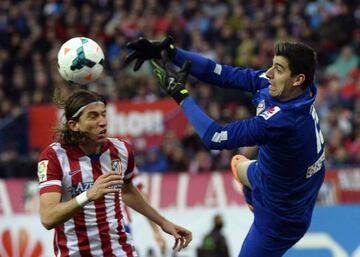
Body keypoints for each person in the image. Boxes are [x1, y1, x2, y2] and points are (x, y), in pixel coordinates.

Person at [125, 37, 325, 257]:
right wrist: (172, 52)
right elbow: (219, 72)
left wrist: (180, 96)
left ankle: (259, 207)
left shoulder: (284, 120)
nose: (268, 73)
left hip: (281, 215)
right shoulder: (294, 88)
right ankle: (256, 197)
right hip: (278, 176)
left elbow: (215, 137)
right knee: (238, 164)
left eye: (277, 69)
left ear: (298, 79)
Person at [37, 89, 191, 257]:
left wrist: (163, 223)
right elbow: (48, 218)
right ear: (74, 125)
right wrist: (88, 195)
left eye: (104, 114)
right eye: (93, 116)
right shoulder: (54, 157)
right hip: (74, 253)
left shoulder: (122, 150)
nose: (102, 122)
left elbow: (127, 191)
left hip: (118, 250)